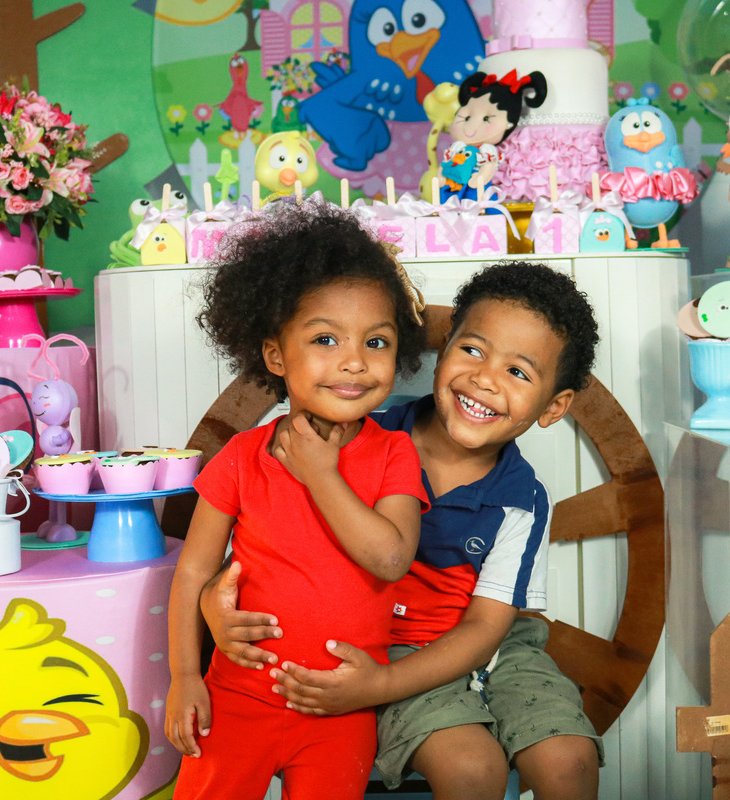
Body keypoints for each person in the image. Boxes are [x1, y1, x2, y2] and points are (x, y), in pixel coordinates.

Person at [204, 261, 604, 800]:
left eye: (518, 371)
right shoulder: (356, 437)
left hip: (496, 644)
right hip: (387, 645)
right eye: (473, 350)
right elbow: (272, 545)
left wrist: (382, 687)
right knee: (470, 770)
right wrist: (212, 603)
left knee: (569, 762)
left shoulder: (522, 500)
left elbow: (486, 628)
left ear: (554, 407)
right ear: (444, 348)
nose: (485, 379)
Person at [164, 201, 431, 800]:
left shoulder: (395, 454)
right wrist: (184, 676)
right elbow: (194, 572)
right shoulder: (241, 457)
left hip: (338, 706)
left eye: (377, 341)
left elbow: (391, 559)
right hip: (237, 697)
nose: (354, 361)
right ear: (276, 356)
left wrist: (320, 473)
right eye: (325, 339)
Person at [439, 70, 547, 206]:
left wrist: (480, 179)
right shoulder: (457, 147)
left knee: (480, 206)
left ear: (509, 124)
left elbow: (488, 167)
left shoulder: (487, 150)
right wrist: (441, 177)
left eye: (486, 119)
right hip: (451, 186)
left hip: (475, 190)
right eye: (466, 118)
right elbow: (446, 163)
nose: (472, 127)